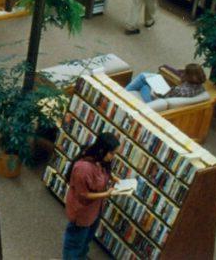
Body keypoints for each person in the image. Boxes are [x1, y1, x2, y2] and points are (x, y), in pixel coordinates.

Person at [62, 132, 125, 260]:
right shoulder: (83, 169)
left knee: (86, 238)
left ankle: (81, 256)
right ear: (102, 150)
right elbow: (83, 195)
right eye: (112, 153)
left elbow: (103, 170)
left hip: (94, 210)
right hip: (81, 212)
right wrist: (106, 194)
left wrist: (112, 177)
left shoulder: (100, 159)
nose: (113, 157)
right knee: (74, 243)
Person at [127, 63, 207, 103]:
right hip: (167, 95)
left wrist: (155, 89)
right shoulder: (201, 88)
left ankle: (123, 92)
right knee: (146, 79)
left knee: (143, 79)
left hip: (156, 100)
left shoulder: (180, 91)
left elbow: (162, 95)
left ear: (188, 76)